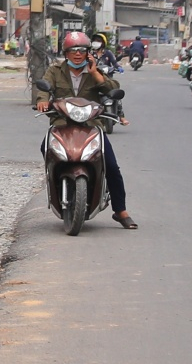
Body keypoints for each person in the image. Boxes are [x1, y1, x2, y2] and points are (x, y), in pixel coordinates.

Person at [35, 30, 136, 228]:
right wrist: (43, 101)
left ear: (88, 52)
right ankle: (55, 183)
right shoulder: (55, 70)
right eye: (73, 50)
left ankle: (120, 211)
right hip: (62, 124)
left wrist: (95, 73)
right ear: (66, 52)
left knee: (112, 167)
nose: (78, 54)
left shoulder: (95, 71)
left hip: (91, 126)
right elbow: (43, 89)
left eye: (82, 50)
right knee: (45, 148)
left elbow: (112, 88)